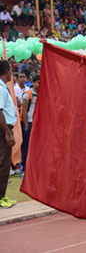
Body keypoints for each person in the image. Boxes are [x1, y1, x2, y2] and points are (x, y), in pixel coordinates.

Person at [0, 60, 18, 209]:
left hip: (4, 128)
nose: (11, 73)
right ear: (6, 72)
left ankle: (2, 195)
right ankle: (0, 197)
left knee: (3, 163)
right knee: (3, 164)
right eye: (11, 71)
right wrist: (8, 133)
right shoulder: (0, 88)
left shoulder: (3, 87)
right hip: (3, 129)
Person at [20, 75, 39, 172]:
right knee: (26, 144)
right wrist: (26, 124)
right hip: (30, 122)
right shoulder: (28, 94)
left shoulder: (42, 92)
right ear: (33, 83)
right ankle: (24, 166)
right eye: (37, 82)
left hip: (38, 123)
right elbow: (24, 111)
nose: (39, 84)